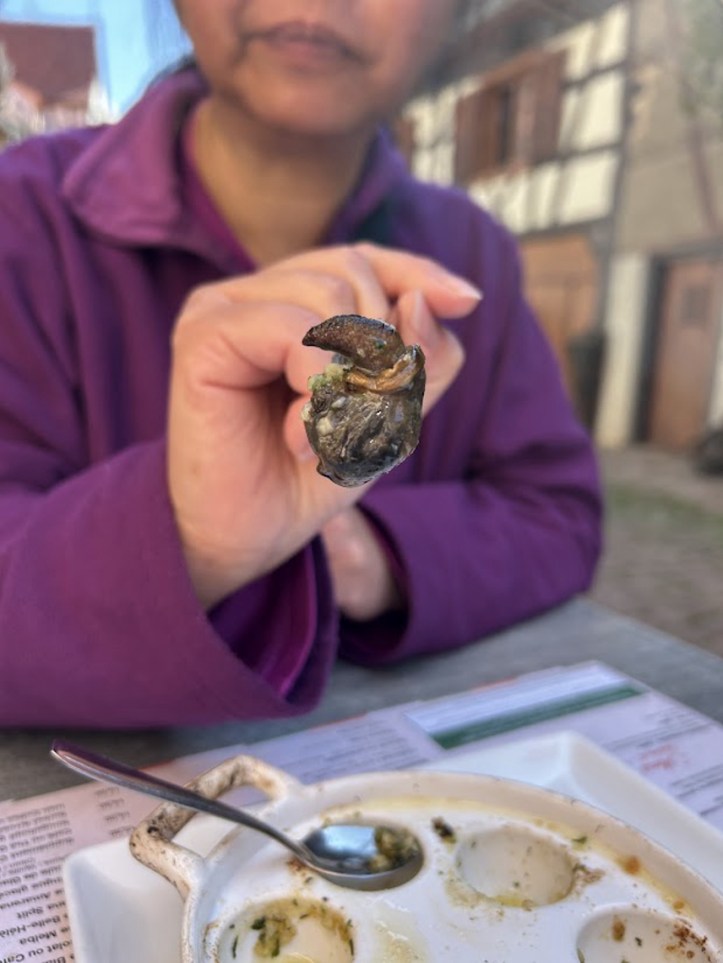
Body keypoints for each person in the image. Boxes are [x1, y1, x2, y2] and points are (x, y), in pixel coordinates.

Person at [0, 0, 602, 728]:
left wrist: (364, 552)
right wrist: (186, 537)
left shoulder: (477, 254)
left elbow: (558, 514)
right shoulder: (18, 219)